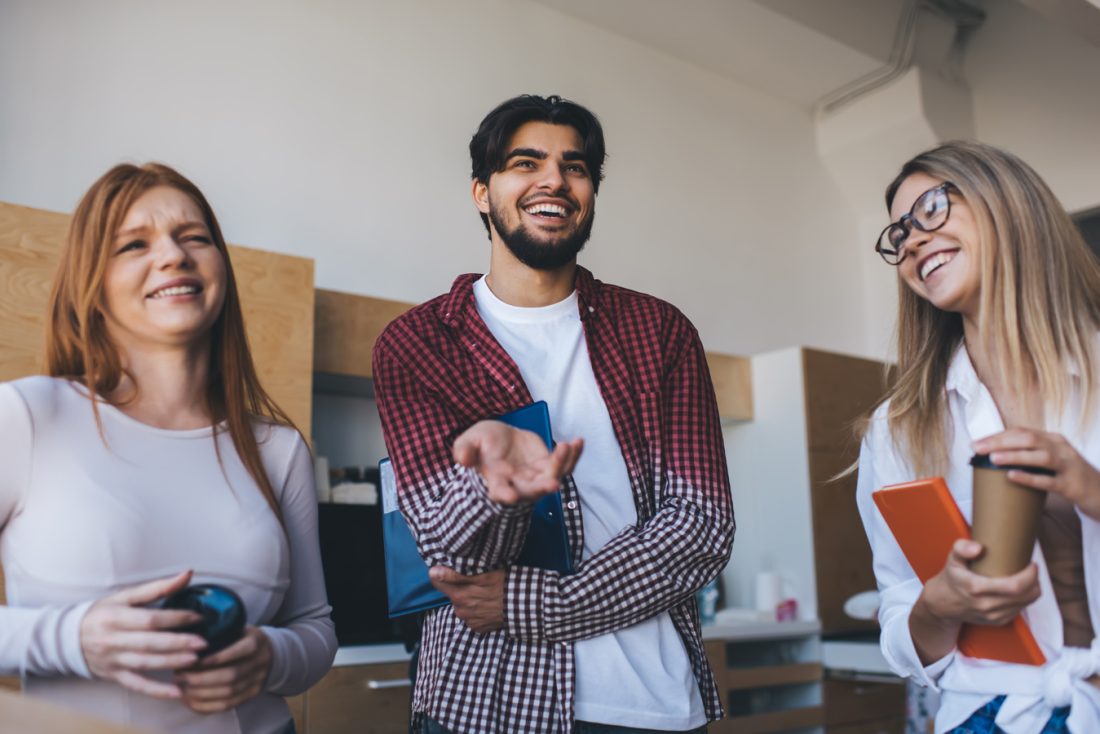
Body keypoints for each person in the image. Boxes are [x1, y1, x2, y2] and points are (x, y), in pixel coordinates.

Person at [372, 94, 735, 734]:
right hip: (485, 706)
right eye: (526, 162)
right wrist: (494, 494)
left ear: (591, 191)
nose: (553, 181)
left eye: (575, 166)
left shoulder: (660, 332)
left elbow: (701, 527)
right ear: (482, 192)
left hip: (652, 705)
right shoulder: (417, 343)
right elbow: (442, 549)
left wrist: (541, 601)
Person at [0, 163, 337, 733]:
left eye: (194, 237)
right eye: (134, 244)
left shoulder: (278, 449)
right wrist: (72, 638)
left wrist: (269, 657)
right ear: (93, 284)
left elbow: (314, 629)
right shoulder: (27, 416)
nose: (173, 256)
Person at [855, 141, 1100, 733]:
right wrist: (938, 606)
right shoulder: (898, 429)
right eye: (899, 235)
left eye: (932, 208)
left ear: (1007, 201)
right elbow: (899, 612)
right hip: (988, 714)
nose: (911, 241)